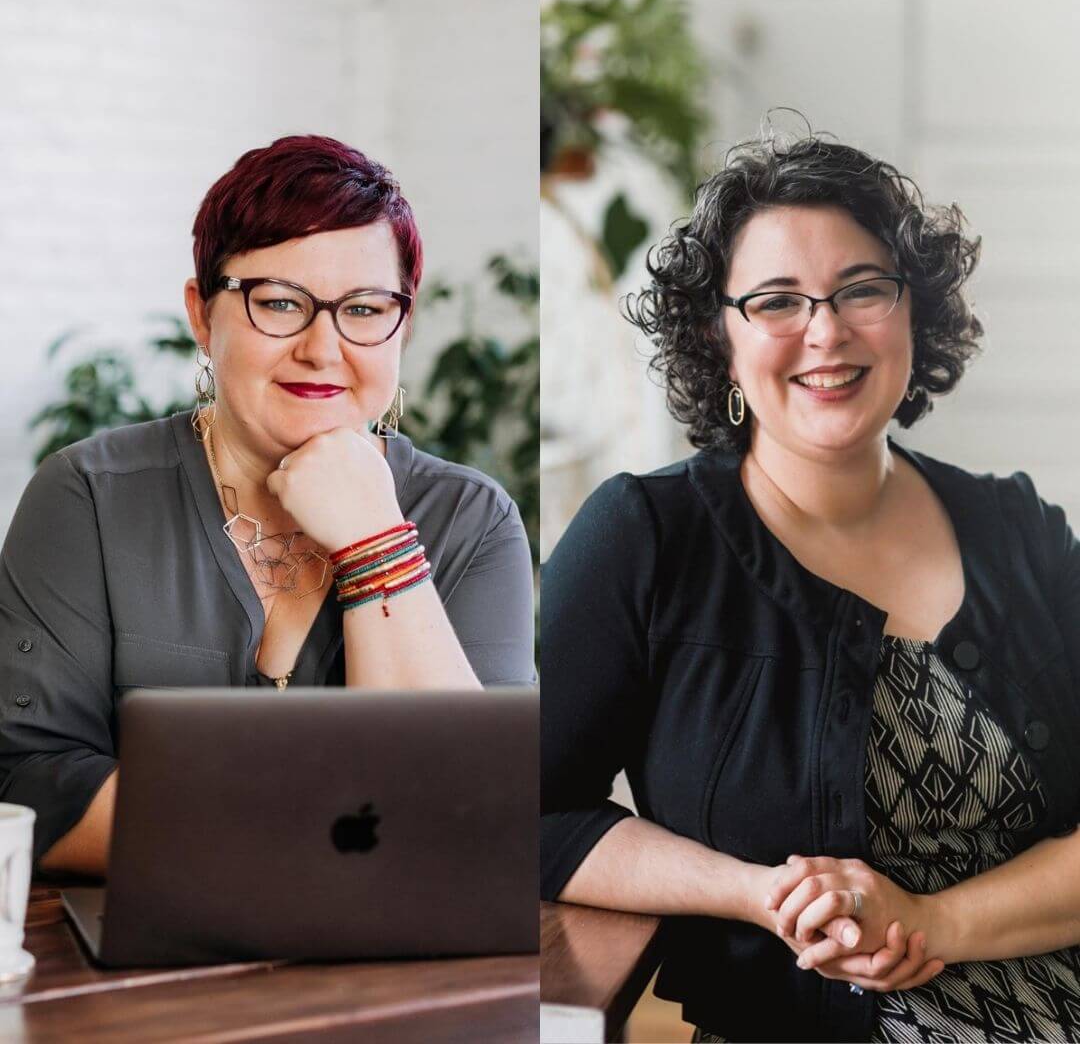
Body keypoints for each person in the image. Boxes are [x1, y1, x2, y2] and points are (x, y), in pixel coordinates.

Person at [540, 131, 1080, 1042]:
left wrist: (934, 921)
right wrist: (761, 895)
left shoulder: (1022, 532)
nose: (825, 330)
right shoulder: (645, 536)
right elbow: (528, 812)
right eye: (777, 300)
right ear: (720, 333)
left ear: (916, 311)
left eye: (862, 289)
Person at [0, 135, 536, 876]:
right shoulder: (88, 495)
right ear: (201, 314)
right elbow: (26, 780)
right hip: (147, 960)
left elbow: (479, 815)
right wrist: (304, 832)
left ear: (403, 325)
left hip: (398, 968)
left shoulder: (474, 521)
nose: (324, 348)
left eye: (364, 308)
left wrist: (376, 540)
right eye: (280, 302)